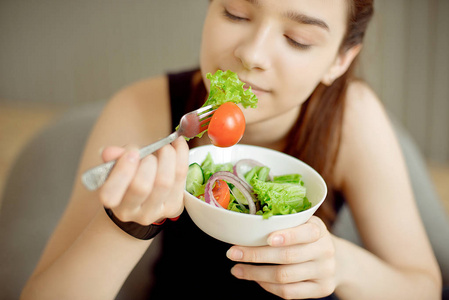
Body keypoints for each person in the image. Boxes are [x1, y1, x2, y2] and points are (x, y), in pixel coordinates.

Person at [21, 0, 442, 299]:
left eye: (297, 39)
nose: (252, 54)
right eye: (236, 13)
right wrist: (124, 225)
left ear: (340, 60)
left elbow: (423, 287)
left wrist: (342, 266)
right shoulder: (141, 110)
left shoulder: (354, 120)